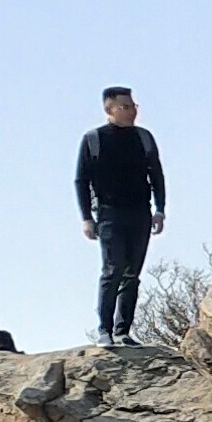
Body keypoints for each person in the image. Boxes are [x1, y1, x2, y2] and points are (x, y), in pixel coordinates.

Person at [74, 86, 166, 349]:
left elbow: (156, 174)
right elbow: (82, 180)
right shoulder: (94, 139)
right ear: (109, 110)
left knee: (132, 274)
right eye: (125, 107)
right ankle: (104, 330)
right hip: (108, 213)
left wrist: (160, 209)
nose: (131, 111)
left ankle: (123, 330)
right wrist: (86, 218)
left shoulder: (144, 138)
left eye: (133, 106)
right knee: (112, 270)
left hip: (140, 212)